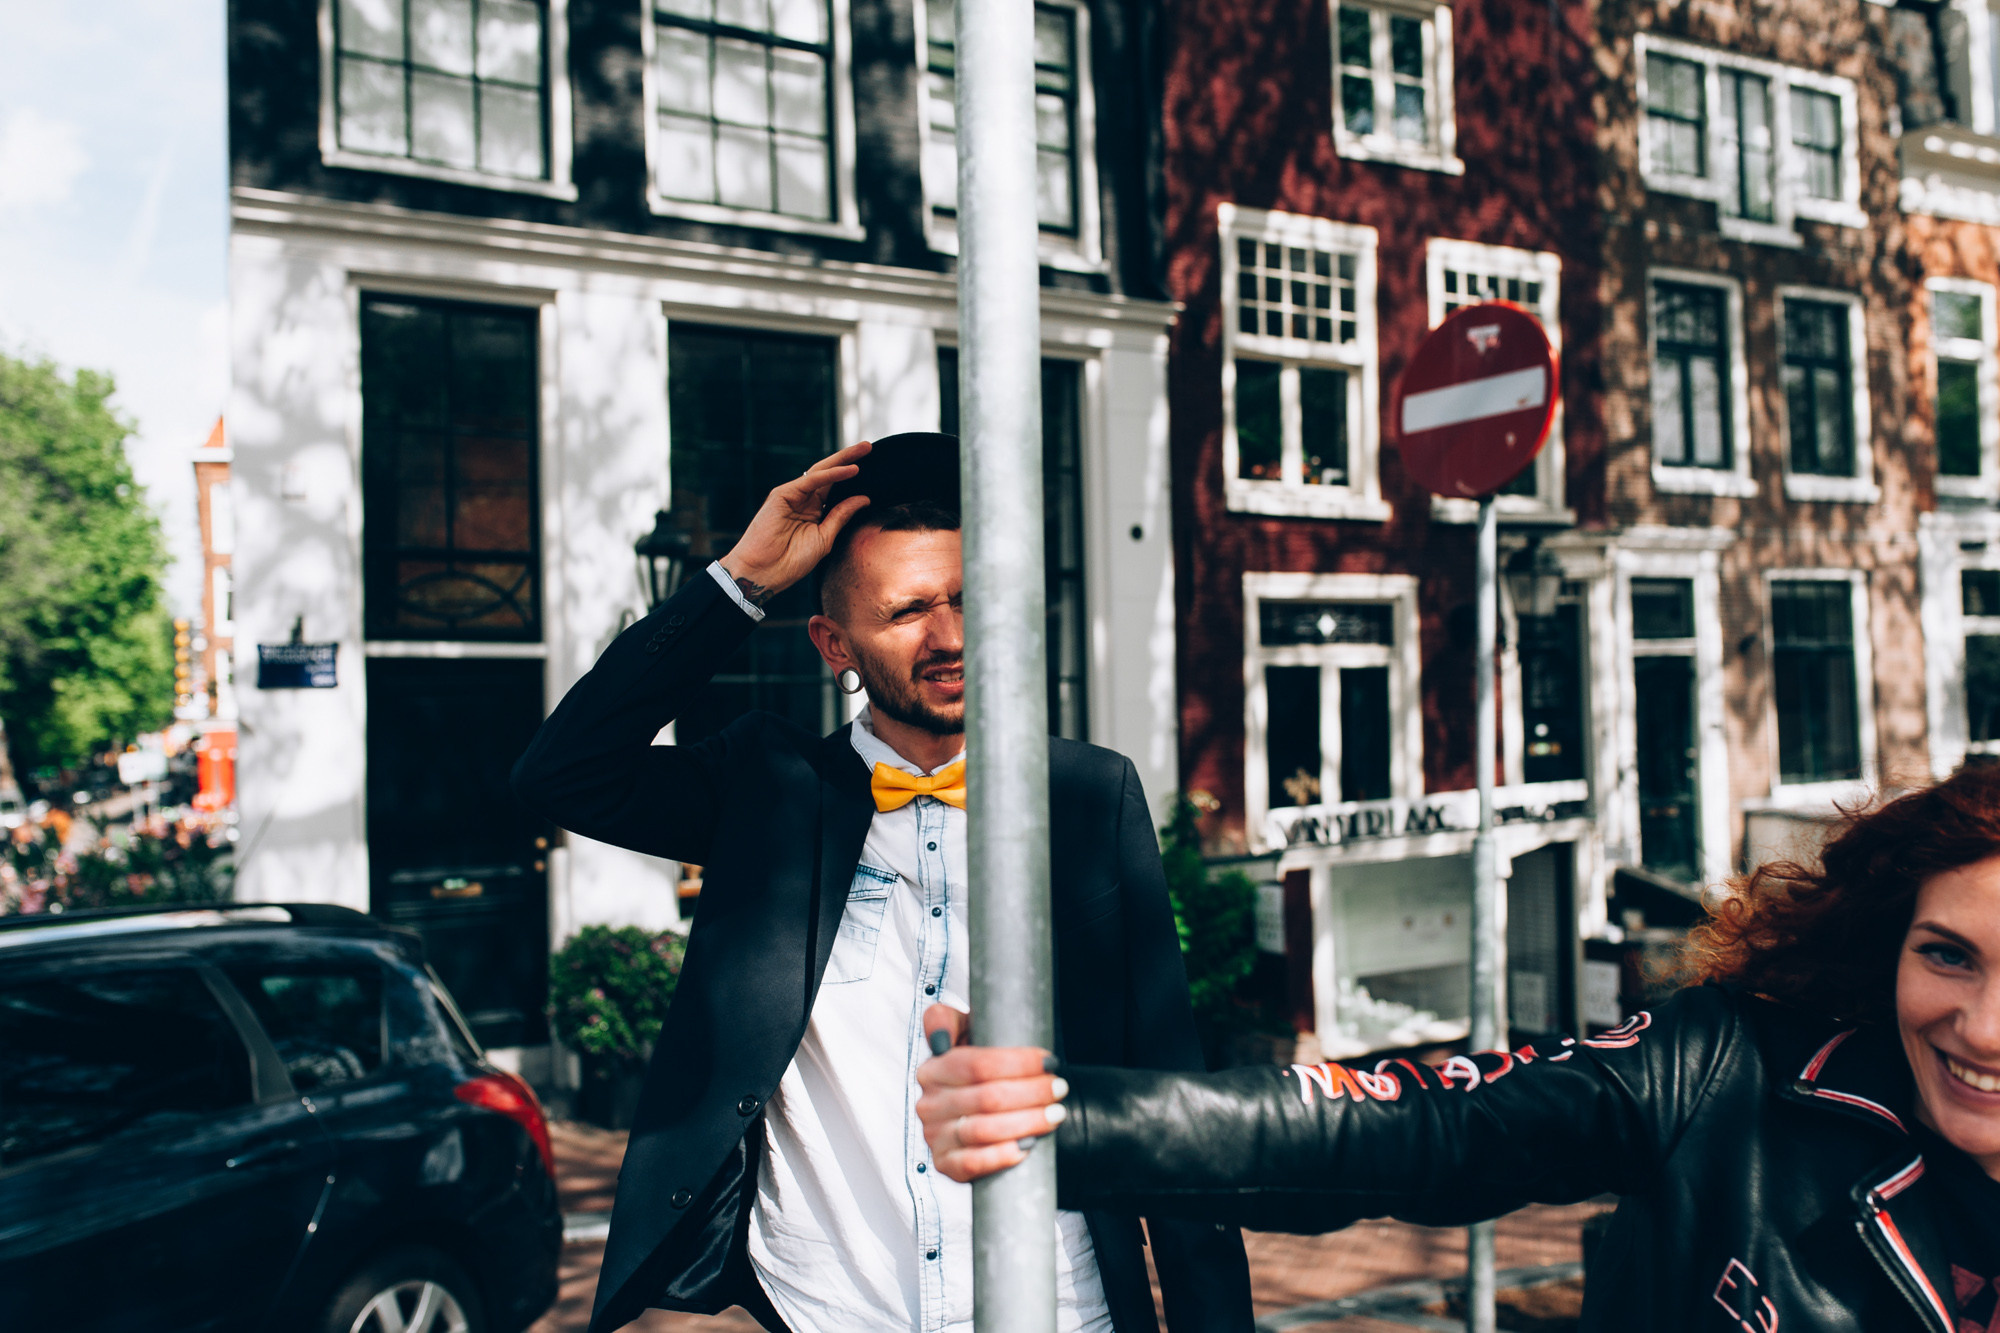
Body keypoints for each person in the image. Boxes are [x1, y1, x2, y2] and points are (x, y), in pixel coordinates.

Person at [513, 435, 1253, 1333]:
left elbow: (1170, 1092)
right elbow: (564, 772)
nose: (949, 639)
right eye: (907, 612)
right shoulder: (766, 790)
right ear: (837, 645)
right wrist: (740, 579)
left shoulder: (1092, 797)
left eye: (966, 601)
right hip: (828, 1313)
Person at [918, 762, 2000, 1333]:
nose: (1981, 1027)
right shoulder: (1729, 1074)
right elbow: (1416, 1124)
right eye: (1945, 956)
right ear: (1885, 945)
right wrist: (1073, 1108)